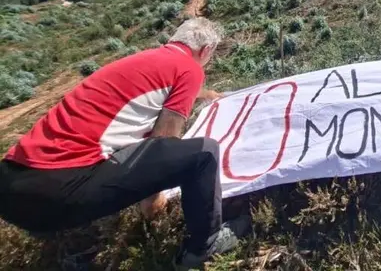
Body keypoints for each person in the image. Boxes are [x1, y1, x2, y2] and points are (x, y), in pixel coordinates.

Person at [0, 18, 248, 270]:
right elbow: (163, 141)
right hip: (59, 191)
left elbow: (148, 97)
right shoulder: (190, 68)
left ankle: (63, 240)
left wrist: (205, 95)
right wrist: (152, 204)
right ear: (206, 50)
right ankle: (204, 246)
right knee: (204, 153)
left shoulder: (144, 60)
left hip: (10, 186)